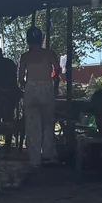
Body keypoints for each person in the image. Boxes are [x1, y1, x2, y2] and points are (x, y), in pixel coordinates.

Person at [18, 26, 61, 166]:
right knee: (48, 123)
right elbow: (57, 71)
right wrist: (55, 85)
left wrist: (27, 86)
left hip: (31, 89)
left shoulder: (25, 57)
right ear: (41, 39)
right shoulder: (49, 54)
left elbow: (20, 78)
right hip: (46, 89)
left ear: (28, 41)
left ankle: (34, 160)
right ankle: (48, 155)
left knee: (32, 126)